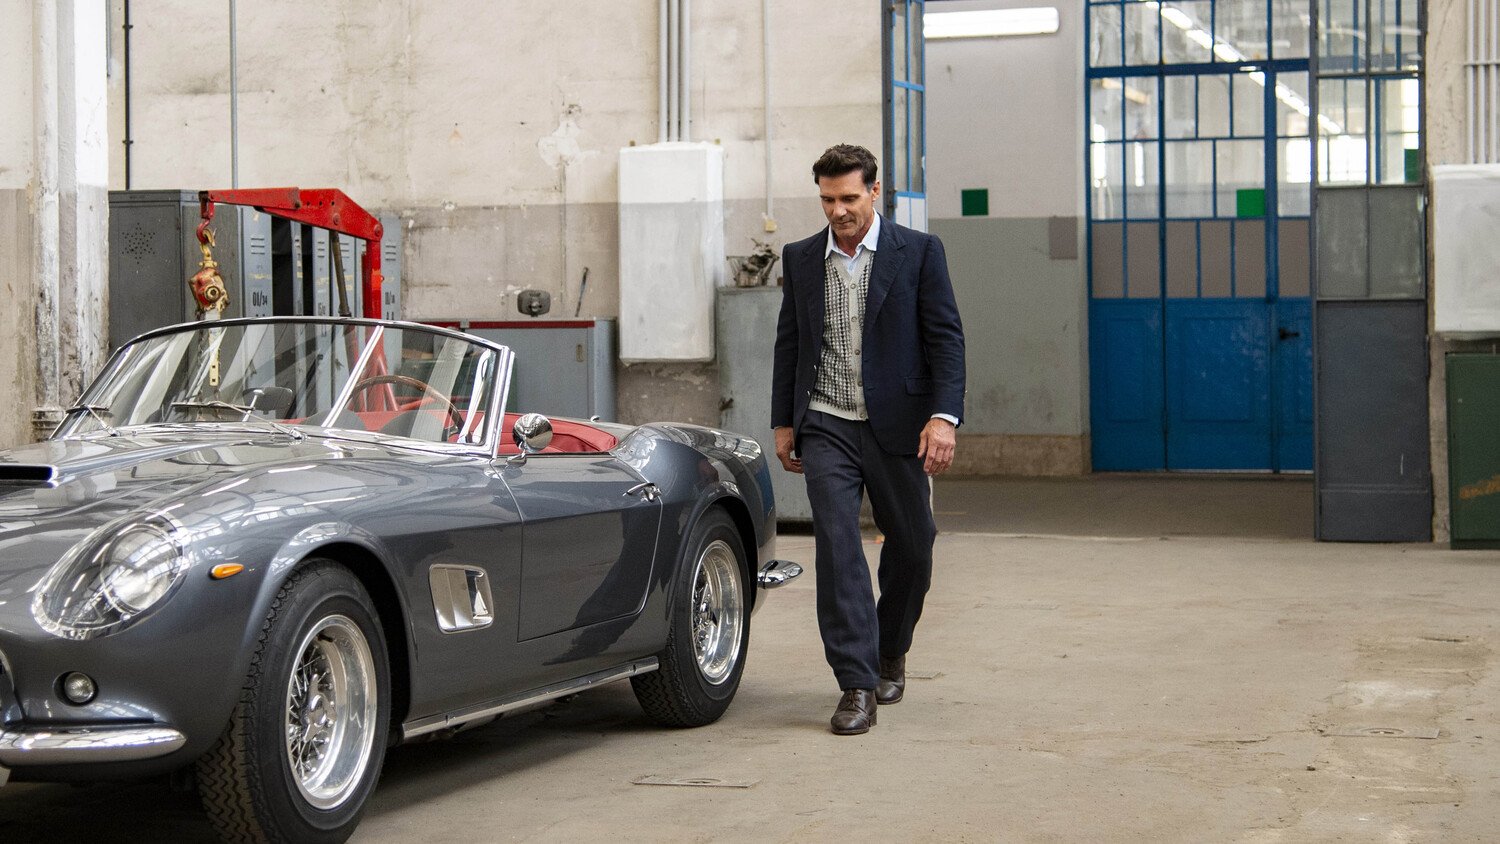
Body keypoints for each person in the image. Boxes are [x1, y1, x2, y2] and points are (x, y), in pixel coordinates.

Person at [771, 143, 966, 736]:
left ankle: (890, 649)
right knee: (838, 547)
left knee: (914, 546)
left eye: (850, 198)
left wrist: (943, 417)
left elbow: (946, 339)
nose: (838, 211)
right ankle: (855, 683)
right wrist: (784, 420)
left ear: (874, 192)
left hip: (899, 425)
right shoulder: (802, 257)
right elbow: (789, 341)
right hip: (826, 423)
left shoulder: (919, 252)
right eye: (828, 200)